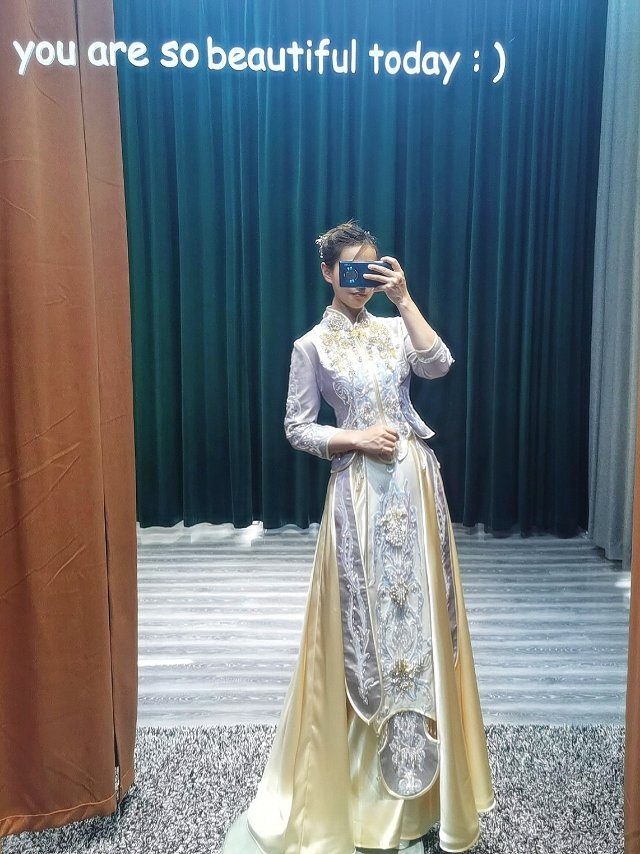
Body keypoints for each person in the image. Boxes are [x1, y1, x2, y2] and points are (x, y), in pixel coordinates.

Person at [223, 222, 494, 854]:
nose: (359, 281)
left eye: (369, 269)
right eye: (349, 270)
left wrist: (404, 298)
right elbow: (297, 427)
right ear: (326, 272)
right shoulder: (311, 345)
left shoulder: (397, 328)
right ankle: (362, 797)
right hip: (359, 497)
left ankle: (430, 794)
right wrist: (355, 438)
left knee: (426, 627)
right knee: (363, 634)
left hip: (415, 488)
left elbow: (440, 364)